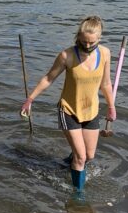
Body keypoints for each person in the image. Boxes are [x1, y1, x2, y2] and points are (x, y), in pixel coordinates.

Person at [20, 16, 116, 193]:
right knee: (81, 157)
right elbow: (49, 78)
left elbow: (106, 84)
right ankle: (78, 195)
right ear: (78, 36)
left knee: (89, 156)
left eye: (91, 42)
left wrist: (111, 107)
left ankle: (70, 162)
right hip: (69, 110)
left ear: (99, 39)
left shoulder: (105, 53)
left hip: (91, 110)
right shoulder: (67, 55)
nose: (87, 46)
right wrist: (30, 99)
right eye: (83, 41)